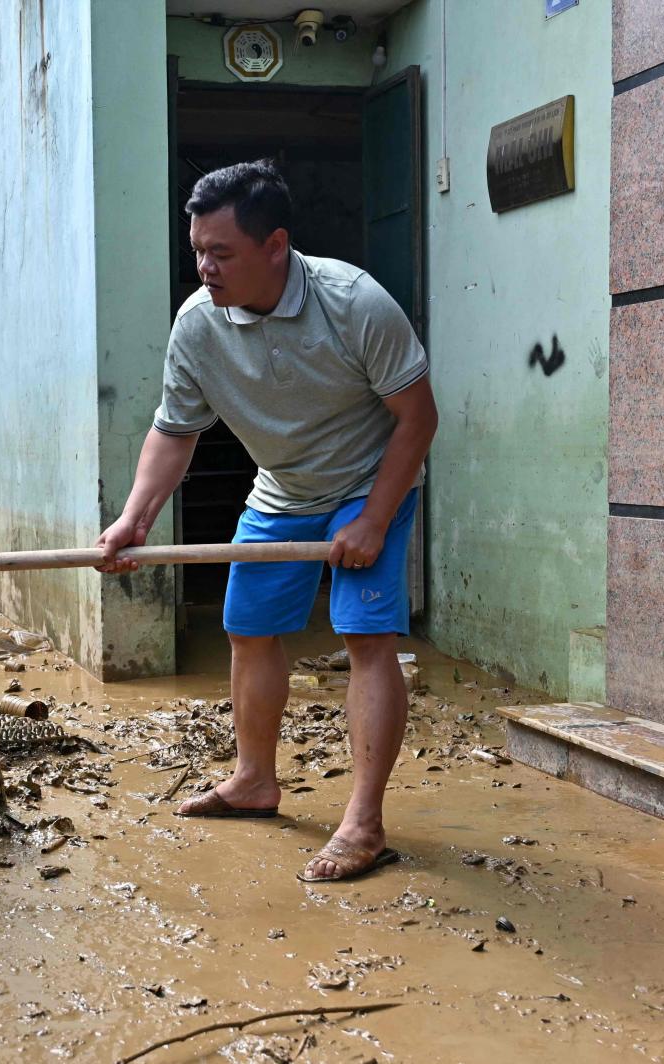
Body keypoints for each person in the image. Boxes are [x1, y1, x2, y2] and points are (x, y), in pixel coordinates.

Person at [95, 160, 438, 884]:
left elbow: (417, 419)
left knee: (364, 634)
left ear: (275, 244)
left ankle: (364, 821)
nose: (205, 266)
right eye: (198, 249)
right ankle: (254, 780)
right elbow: (174, 431)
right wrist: (135, 519)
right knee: (248, 629)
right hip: (282, 491)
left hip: (367, 481)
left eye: (221, 252)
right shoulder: (197, 324)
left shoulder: (353, 303)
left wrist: (375, 519)